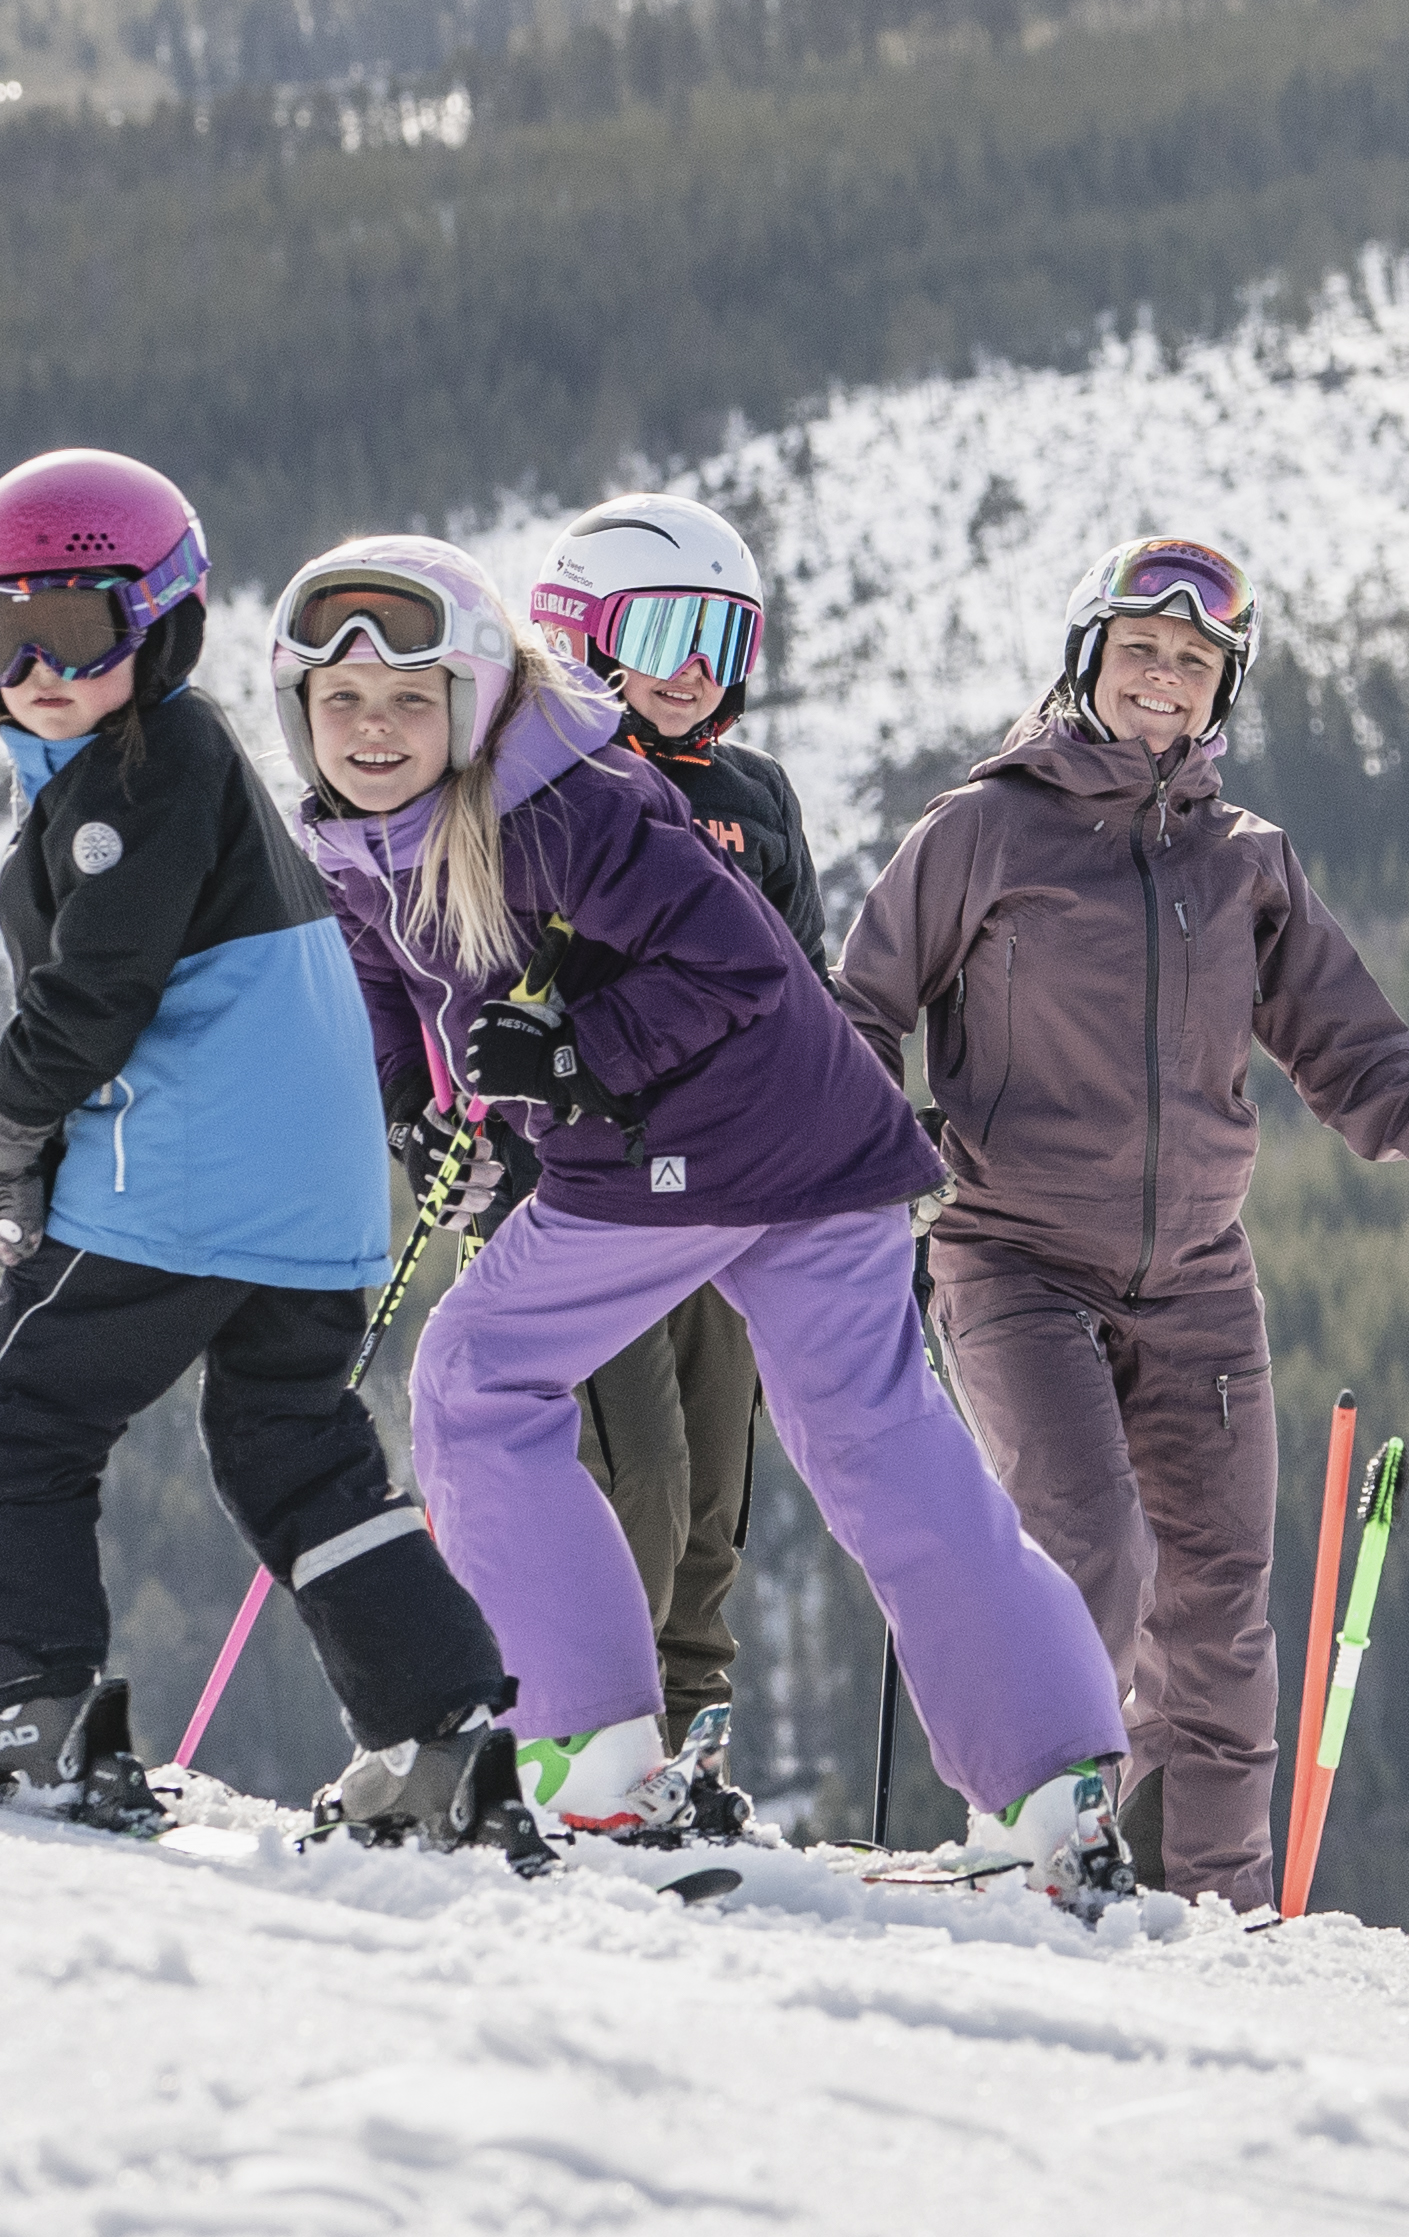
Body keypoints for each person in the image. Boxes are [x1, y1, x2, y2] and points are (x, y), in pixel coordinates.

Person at [279, 535, 1134, 1884]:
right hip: (823, 1141)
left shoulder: (562, 800)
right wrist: (419, 1109)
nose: (375, 731)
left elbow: (734, 962)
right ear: (298, 715)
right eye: (342, 704)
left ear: (473, 695)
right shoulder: (368, 832)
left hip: (691, 1150)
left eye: (408, 699)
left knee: (477, 1376)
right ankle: (1052, 1781)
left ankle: (586, 1748)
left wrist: (574, 1060)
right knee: (873, 1435)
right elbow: (388, 979)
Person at [831, 532, 1409, 1911]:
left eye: (1195, 664)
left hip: (1196, 1279)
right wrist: (880, 1166)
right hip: (1014, 1258)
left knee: (1219, 1616)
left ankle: (1220, 1909)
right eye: (1142, 651)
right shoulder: (980, 830)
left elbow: (1362, 1066)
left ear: (1219, 695)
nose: (1164, 680)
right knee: (1087, 1547)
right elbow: (860, 1013)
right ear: (1088, 660)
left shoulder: (1245, 864)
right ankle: (1043, 1845)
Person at [0, 451, 520, 1843]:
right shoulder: (170, 769)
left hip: (187, 1188)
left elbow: (97, 996)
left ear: (164, 623)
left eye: (79, 628)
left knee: (20, 1415)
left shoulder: (149, 769)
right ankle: (439, 1744)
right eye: (5, 632)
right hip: (313, 1210)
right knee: (295, 1455)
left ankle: (26, 1712)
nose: (40, 667)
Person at [518, 491, 814, 1820]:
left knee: (711, 1493)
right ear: (582, 637)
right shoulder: (542, 793)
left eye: (721, 631)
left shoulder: (755, 798)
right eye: (662, 630)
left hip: (730, 1193)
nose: (696, 665)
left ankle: (684, 1737)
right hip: (587, 1195)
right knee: (630, 1474)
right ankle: (570, 1731)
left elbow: (805, 993)